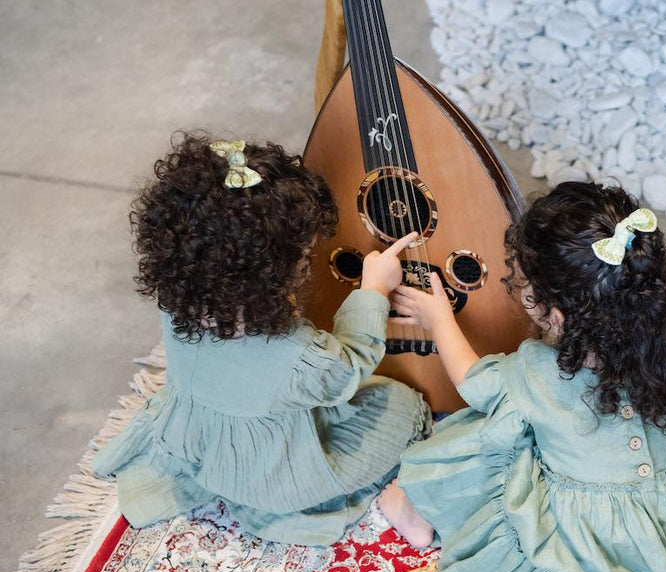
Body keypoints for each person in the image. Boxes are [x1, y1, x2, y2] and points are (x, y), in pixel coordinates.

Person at [378, 181, 666, 572]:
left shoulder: (535, 372)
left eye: (526, 287)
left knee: (477, 433)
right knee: (531, 426)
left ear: (555, 313)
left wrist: (439, 317)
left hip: (584, 534)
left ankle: (412, 508)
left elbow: (473, 383)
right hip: (656, 518)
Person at [93, 132, 430, 546]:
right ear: (267, 277)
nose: (308, 266)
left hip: (199, 447)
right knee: (403, 405)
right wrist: (374, 289)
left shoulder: (177, 294)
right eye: (305, 258)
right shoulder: (297, 354)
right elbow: (348, 370)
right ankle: (393, 498)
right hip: (273, 480)